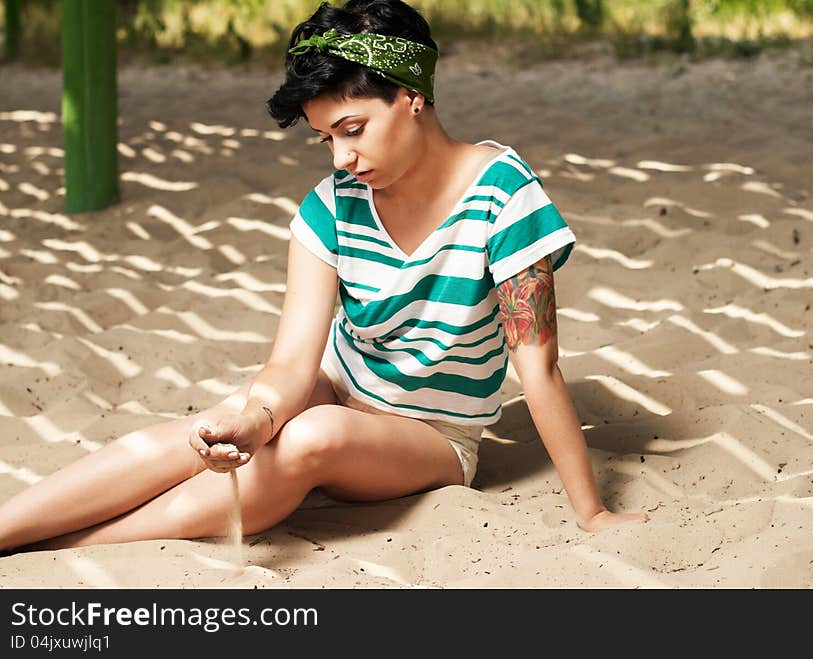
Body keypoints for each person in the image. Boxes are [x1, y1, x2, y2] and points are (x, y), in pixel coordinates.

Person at [0, 0, 647, 554]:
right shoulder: (330, 206)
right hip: (334, 389)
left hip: (432, 437)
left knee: (309, 437)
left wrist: (592, 512)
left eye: (353, 129)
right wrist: (255, 418)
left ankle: (73, 546)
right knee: (217, 424)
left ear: (412, 96)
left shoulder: (504, 194)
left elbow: (540, 369)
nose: (343, 157)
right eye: (325, 139)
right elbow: (290, 362)